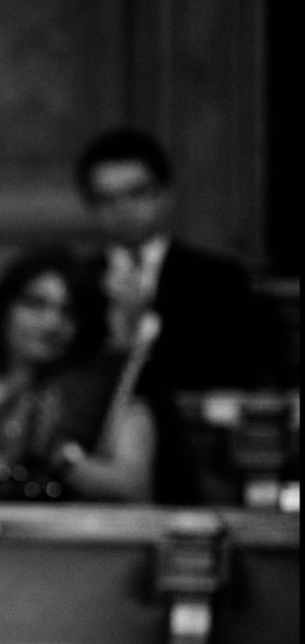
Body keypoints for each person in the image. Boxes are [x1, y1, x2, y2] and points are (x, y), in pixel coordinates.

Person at [77, 128, 255, 503]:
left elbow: (234, 371)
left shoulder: (218, 280)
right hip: (101, 455)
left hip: (198, 451)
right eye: (106, 199)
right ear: (90, 207)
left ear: (165, 195)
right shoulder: (75, 284)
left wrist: (140, 329)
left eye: (136, 193)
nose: (122, 211)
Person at [0, 248, 156, 503]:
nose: (51, 323)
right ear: (5, 309)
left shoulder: (101, 395)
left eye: (67, 311)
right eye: (35, 304)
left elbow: (134, 489)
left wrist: (59, 457)